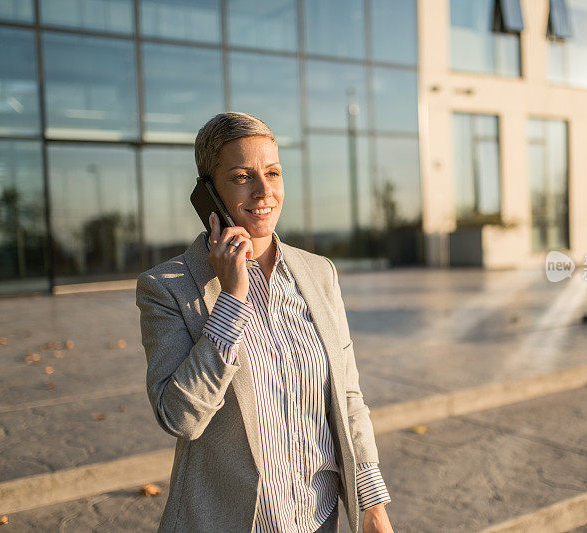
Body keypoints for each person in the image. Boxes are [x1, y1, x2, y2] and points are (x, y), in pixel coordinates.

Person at [136, 112, 394, 533]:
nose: (264, 191)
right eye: (241, 176)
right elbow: (180, 417)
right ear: (208, 192)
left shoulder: (318, 273)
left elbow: (348, 396)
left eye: (272, 173)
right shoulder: (167, 288)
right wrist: (232, 300)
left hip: (318, 520)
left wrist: (372, 505)